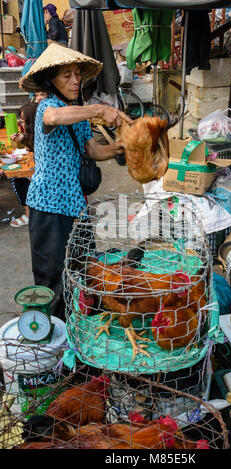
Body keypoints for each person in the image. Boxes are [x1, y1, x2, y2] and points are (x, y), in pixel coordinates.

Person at [19, 43, 131, 320]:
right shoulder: (49, 106)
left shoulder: (77, 111)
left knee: (84, 268)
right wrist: (98, 111)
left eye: (76, 74)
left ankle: (81, 326)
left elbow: (93, 151)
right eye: (66, 75)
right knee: (53, 275)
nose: (74, 80)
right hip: (48, 206)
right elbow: (55, 118)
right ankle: (55, 333)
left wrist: (121, 146)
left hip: (75, 206)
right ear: (51, 81)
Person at [9, 102, 39, 228]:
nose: (21, 123)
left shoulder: (41, 133)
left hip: (48, 173)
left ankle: (29, 214)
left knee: (17, 177)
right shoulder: (34, 132)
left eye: (23, 120)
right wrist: (23, 139)